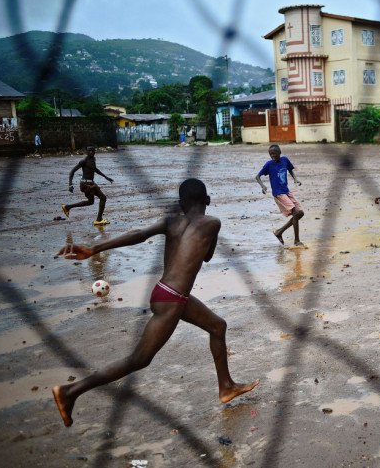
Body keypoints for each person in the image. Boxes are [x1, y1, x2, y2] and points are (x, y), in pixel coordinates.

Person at [52, 178, 259, 427]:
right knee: (139, 359)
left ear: (180, 204)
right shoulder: (212, 223)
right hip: (173, 299)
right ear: (207, 201)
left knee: (217, 326)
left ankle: (226, 386)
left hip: (168, 293)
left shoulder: (171, 222)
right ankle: (70, 392)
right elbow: (207, 257)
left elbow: (138, 234)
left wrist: (95, 248)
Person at [255, 144, 305, 247]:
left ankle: (279, 231)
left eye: (274, 154)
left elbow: (290, 169)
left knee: (300, 213)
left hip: (286, 191)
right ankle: (297, 241)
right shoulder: (269, 164)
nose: (272, 156)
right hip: (278, 193)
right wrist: (263, 186)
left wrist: (295, 179)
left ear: (279, 153)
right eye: (270, 154)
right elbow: (257, 176)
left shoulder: (285, 160)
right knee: (295, 212)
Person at [61, 146, 114, 225]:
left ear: (95, 151)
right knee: (103, 198)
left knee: (90, 202)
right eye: (89, 151)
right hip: (86, 184)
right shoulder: (84, 161)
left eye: (93, 151)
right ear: (86, 152)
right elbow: (72, 171)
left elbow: (95, 169)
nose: (91, 152)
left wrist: (105, 177)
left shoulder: (93, 159)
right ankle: (99, 220)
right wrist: (70, 185)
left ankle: (67, 207)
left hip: (90, 183)